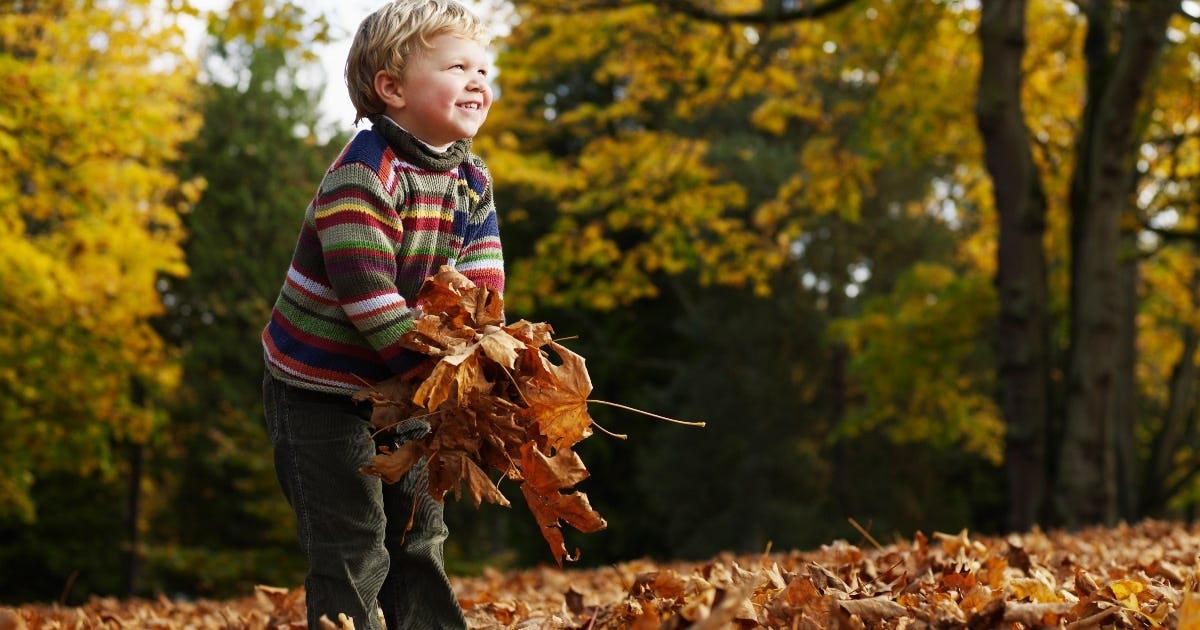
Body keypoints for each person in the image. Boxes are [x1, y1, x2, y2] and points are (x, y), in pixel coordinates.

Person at [260, 1, 503, 627]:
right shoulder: (361, 177)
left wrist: (483, 349)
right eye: (457, 66)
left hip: (410, 382)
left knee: (419, 533)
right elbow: (370, 299)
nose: (479, 81)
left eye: (484, 69)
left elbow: (480, 271)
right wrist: (443, 377)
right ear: (391, 88)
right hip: (322, 386)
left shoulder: (471, 177)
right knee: (353, 540)